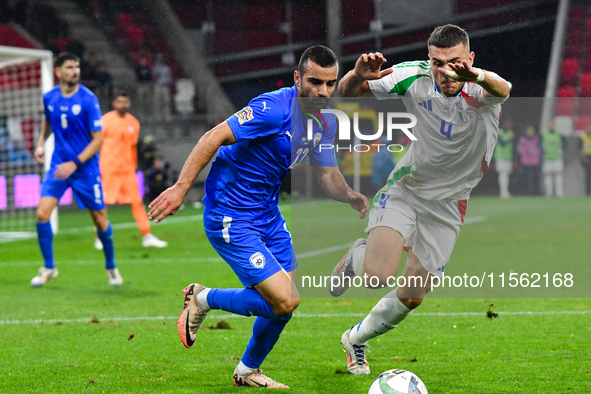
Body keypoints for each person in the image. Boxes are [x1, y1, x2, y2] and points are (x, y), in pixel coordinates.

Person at [148, 45, 368, 388]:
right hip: (230, 215)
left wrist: (349, 195)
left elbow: (327, 174)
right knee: (285, 300)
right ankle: (203, 298)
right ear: (298, 78)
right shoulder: (272, 109)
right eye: (315, 82)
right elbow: (214, 136)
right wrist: (180, 187)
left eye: (330, 83)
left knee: (285, 304)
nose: (323, 92)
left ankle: (248, 370)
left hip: (268, 215)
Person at [330, 24, 510, 374]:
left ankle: (355, 338)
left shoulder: (481, 87)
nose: (445, 71)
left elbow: (503, 89)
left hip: (449, 205)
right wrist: (355, 75)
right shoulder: (413, 76)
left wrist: (477, 75)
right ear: (429, 59)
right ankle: (359, 255)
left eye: (454, 62)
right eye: (437, 62)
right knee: (379, 277)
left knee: (412, 296)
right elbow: (350, 93)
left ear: (470, 58)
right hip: (408, 189)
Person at [30, 52, 122, 287]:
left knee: (100, 220)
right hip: (59, 166)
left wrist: (75, 163)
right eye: (70, 67)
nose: (75, 72)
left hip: (85, 170)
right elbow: (49, 122)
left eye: (77, 67)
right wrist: (41, 143)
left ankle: (111, 266)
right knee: (42, 214)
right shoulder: (49, 97)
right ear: (58, 72)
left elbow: (98, 139)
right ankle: (49, 267)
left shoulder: (88, 99)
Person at [94, 92, 167, 250]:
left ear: (129, 104)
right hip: (109, 169)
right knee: (102, 204)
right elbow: (96, 144)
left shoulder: (133, 123)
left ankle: (147, 235)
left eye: (125, 102)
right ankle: (100, 237)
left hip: (127, 170)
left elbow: (133, 148)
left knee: (137, 202)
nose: (122, 105)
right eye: (119, 102)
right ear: (114, 103)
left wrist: (133, 166)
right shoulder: (105, 121)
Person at [541, 119, 565, 197]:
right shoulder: (544, 133)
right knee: (548, 175)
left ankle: (559, 192)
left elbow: (566, 143)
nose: (551, 126)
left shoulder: (558, 133)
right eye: (550, 124)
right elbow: (539, 143)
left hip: (557, 157)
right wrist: (542, 150)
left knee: (558, 175)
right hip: (547, 158)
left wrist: (562, 149)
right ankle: (549, 192)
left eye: (552, 124)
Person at [494, 118, 515, 198]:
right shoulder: (499, 132)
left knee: (506, 174)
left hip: (508, 156)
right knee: (502, 174)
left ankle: (505, 191)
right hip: (500, 156)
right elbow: (502, 143)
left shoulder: (510, 133)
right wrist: (510, 138)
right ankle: (503, 192)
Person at [518, 125, 542, 195]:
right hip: (525, 161)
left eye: (531, 131)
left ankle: (537, 192)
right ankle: (525, 192)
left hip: (535, 161)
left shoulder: (537, 140)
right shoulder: (522, 140)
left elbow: (541, 149)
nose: (530, 132)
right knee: (524, 179)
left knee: (536, 178)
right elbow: (519, 150)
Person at [579, 123, 591, 195]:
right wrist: (584, 158)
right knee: (588, 175)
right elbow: (580, 149)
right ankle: (588, 192)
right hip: (587, 157)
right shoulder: (583, 137)